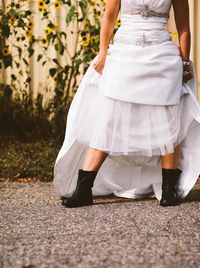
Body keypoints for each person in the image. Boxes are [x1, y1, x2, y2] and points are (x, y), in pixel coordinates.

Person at [53, 0, 200, 207]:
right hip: (124, 54)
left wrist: (185, 63)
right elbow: (110, 16)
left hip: (162, 56)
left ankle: (169, 190)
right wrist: (103, 52)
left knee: (167, 120)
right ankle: (84, 189)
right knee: (109, 119)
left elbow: (184, 27)